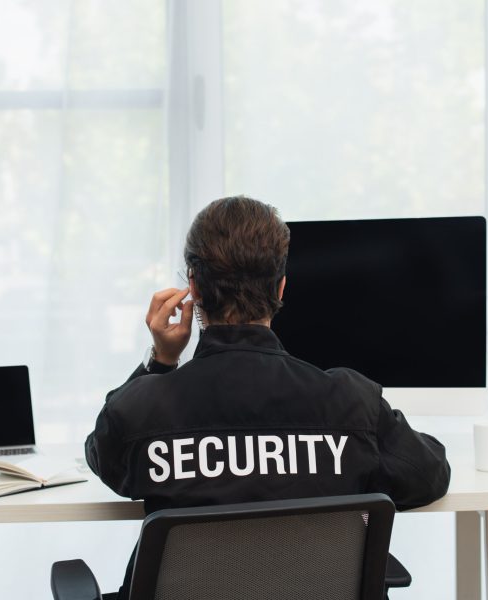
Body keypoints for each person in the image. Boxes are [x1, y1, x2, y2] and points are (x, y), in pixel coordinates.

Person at [85, 196, 451, 598]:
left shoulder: (143, 409)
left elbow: (104, 457)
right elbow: (428, 474)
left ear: (194, 288)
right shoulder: (350, 403)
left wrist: (160, 360)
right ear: (280, 286)